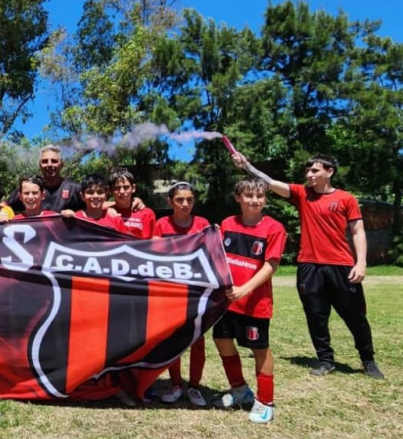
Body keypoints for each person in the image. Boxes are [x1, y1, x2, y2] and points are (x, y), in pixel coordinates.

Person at [234, 153, 383, 379]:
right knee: (316, 316)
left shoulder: (346, 198)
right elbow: (270, 183)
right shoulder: (302, 195)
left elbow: (357, 231)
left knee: (355, 316)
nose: (309, 175)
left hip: (341, 266)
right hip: (309, 267)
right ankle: (325, 360)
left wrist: (361, 263)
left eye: (315, 171)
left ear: (329, 171)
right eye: (308, 171)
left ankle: (368, 360)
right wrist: (246, 166)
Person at [213, 177, 286, 424]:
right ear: (238, 198)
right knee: (222, 341)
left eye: (260, 196)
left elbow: (271, 265)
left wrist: (244, 289)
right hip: (226, 301)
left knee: (259, 350)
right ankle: (239, 389)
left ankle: (265, 401)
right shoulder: (227, 224)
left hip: (255, 303)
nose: (255, 201)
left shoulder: (274, 228)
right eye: (249, 196)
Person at [154, 182, 212, 407]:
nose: (185, 204)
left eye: (189, 199)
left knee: (197, 340)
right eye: (179, 200)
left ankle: (195, 387)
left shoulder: (203, 224)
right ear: (170, 202)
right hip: (170, 291)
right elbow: (156, 256)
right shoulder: (161, 225)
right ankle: (176, 384)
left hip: (197, 291)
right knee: (172, 340)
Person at [6, 146, 84, 213]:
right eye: (45, 161)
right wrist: (3, 214)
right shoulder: (30, 187)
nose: (49, 164)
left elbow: (92, 211)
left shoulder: (75, 189)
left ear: (62, 165)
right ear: (40, 165)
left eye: (54, 161)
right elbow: (4, 206)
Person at [61, 173, 128, 232]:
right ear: (82, 196)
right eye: (90, 192)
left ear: (106, 194)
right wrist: (63, 218)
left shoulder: (116, 220)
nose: (95, 196)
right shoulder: (74, 219)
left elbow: (129, 242)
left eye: (100, 192)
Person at [107, 168, 154, 239]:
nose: (122, 192)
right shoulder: (105, 213)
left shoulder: (147, 214)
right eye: (117, 188)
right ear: (110, 191)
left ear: (133, 188)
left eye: (126, 187)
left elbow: (154, 243)